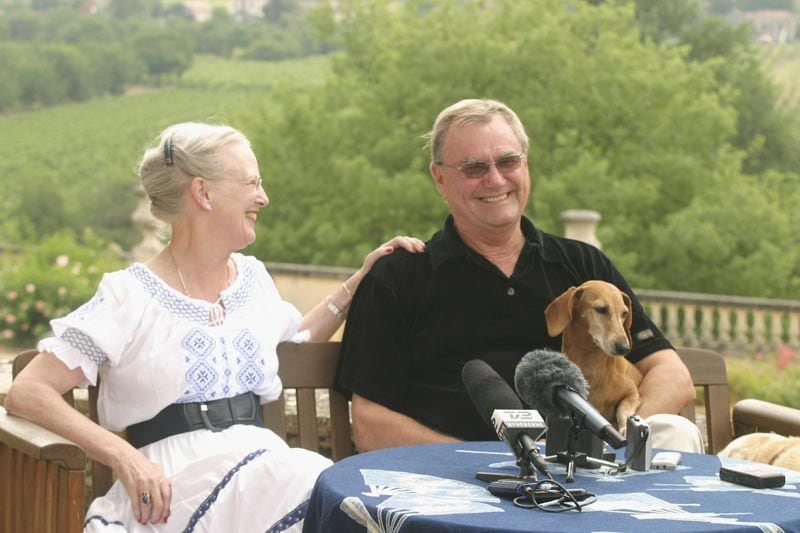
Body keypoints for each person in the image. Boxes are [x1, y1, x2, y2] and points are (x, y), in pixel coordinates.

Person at [4, 122, 425, 532]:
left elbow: (293, 339)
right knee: (317, 482)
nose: (264, 197)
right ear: (203, 192)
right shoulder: (129, 295)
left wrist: (359, 282)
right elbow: (29, 391)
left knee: (316, 482)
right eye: (251, 183)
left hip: (260, 471)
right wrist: (123, 457)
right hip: (172, 485)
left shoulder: (252, 281)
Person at [335, 98, 704, 454]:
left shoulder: (583, 267)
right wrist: (496, 463)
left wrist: (619, 442)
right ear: (440, 179)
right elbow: (370, 425)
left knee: (675, 431)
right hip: (455, 485)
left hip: (591, 475)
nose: (495, 180)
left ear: (526, 166)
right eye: (474, 168)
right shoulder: (400, 277)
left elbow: (671, 374)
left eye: (508, 161)